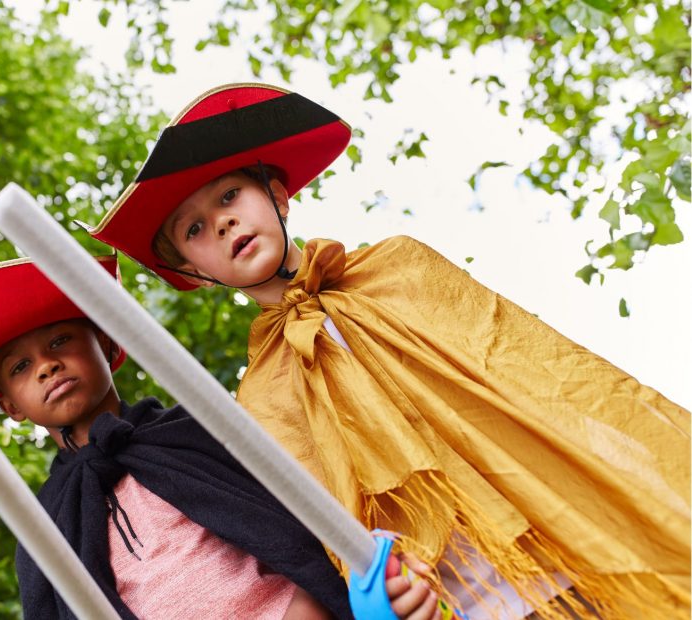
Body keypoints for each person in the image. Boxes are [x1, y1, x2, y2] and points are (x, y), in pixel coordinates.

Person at [84, 82, 691, 619]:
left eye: (228, 197)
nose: (218, 224)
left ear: (277, 195)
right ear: (194, 268)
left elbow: (535, 373)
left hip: (559, 520)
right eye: (192, 230)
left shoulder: (400, 265)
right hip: (466, 589)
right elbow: (336, 521)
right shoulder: (262, 395)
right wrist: (381, 589)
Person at [0, 256, 440, 620]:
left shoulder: (200, 430)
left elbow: (301, 527)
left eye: (59, 342)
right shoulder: (44, 524)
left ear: (109, 345)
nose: (47, 367)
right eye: (20, 368)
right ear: (9, 406)